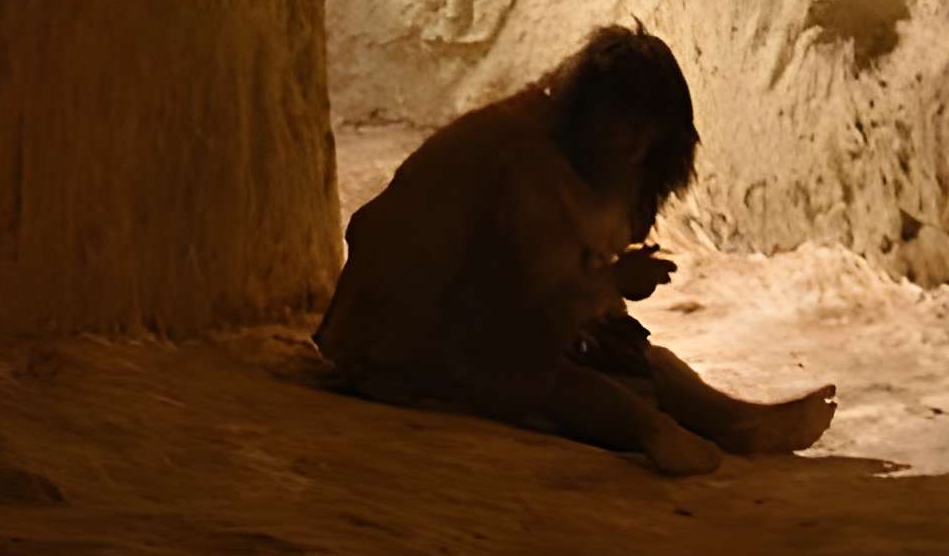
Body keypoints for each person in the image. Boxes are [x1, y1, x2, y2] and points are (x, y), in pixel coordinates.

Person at [315, 25, 837, 475]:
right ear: (590, 113)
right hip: (397, 338)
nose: (635, 145)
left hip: (486, 322)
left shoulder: (586, 156)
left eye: (648, 133)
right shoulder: (519, 157)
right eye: (625, 126)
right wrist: (607, 285)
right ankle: (649, 430)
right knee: (558, 381)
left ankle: (737, 419)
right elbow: (508, 311)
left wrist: (603, 304)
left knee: (644, 360)